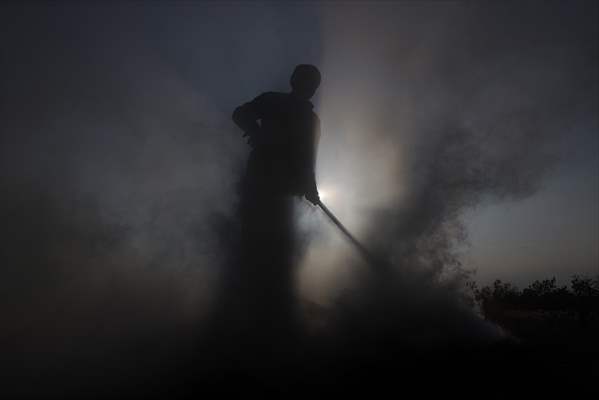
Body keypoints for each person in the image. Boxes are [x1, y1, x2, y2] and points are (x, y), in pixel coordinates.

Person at [216, 65, 322, 363]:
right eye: (304, 81)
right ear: (294, 82)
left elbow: (308, 162)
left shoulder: (312, 121)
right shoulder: (272, 101)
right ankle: (240, 325)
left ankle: (271, 326)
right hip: (257, 189)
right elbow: (240, 113)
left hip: (281, 196)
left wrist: (311, 189)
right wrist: (256, 131)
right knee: (250, 248)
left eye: (312, 83)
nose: (307, 87)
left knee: (276, 253)